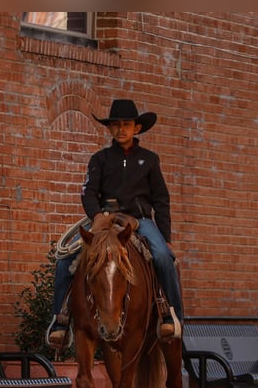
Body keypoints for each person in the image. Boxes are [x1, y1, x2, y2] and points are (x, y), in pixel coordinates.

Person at [47, 98, 184, 350]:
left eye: (127, 124)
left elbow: (161, 200)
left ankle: (170, 314)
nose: (121, 129)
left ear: (137, 128)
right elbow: (88, 191)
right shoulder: (99, 159)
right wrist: (97, 215)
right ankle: (60, 319)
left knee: (164, 257)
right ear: (110, 129)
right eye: (116, 125)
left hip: (139, 221)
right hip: (104, 219)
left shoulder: (150, 160)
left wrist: (165, 236)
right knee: (65, 258)